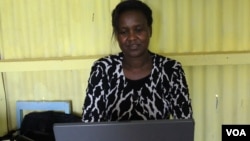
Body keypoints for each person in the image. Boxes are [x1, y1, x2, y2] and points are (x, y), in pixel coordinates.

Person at [82, 0, 192, 122]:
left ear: (150, 30)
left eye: (138, 30)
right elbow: (90, 124)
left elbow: (184, 124)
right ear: (117, 35)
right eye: (124, 32)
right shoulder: (102, 69)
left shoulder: (171, 70)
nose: (132, 37)